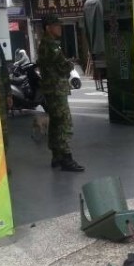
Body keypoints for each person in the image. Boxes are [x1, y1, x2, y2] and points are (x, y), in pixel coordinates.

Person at [37, 14, 85, 172]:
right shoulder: (51, 45)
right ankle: (66, 158)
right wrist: (70, 64)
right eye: (56, 25)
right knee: (64, 123)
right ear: (48, 28)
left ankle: (56, 156)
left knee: (56, 123)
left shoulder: (46, 44)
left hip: (52, 89)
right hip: (56, 90)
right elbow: (64, 66)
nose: (60, 28)